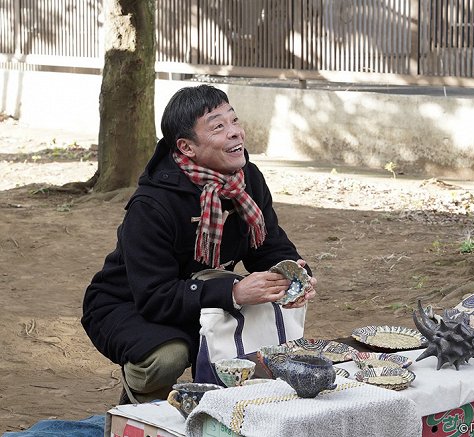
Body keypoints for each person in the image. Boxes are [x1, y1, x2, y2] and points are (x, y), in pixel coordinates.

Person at [81, 84, 316, 404]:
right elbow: (154, 296)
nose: (235, 133)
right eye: (218, 126)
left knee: (261, 343)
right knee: (168, 358)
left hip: (198, 295)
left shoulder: (248, 180)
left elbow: (269, 246)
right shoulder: (153, 205)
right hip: (131, 303)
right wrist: (233, 293)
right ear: (186, 147)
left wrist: (294, 272)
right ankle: (140, 404)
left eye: (234, 121)